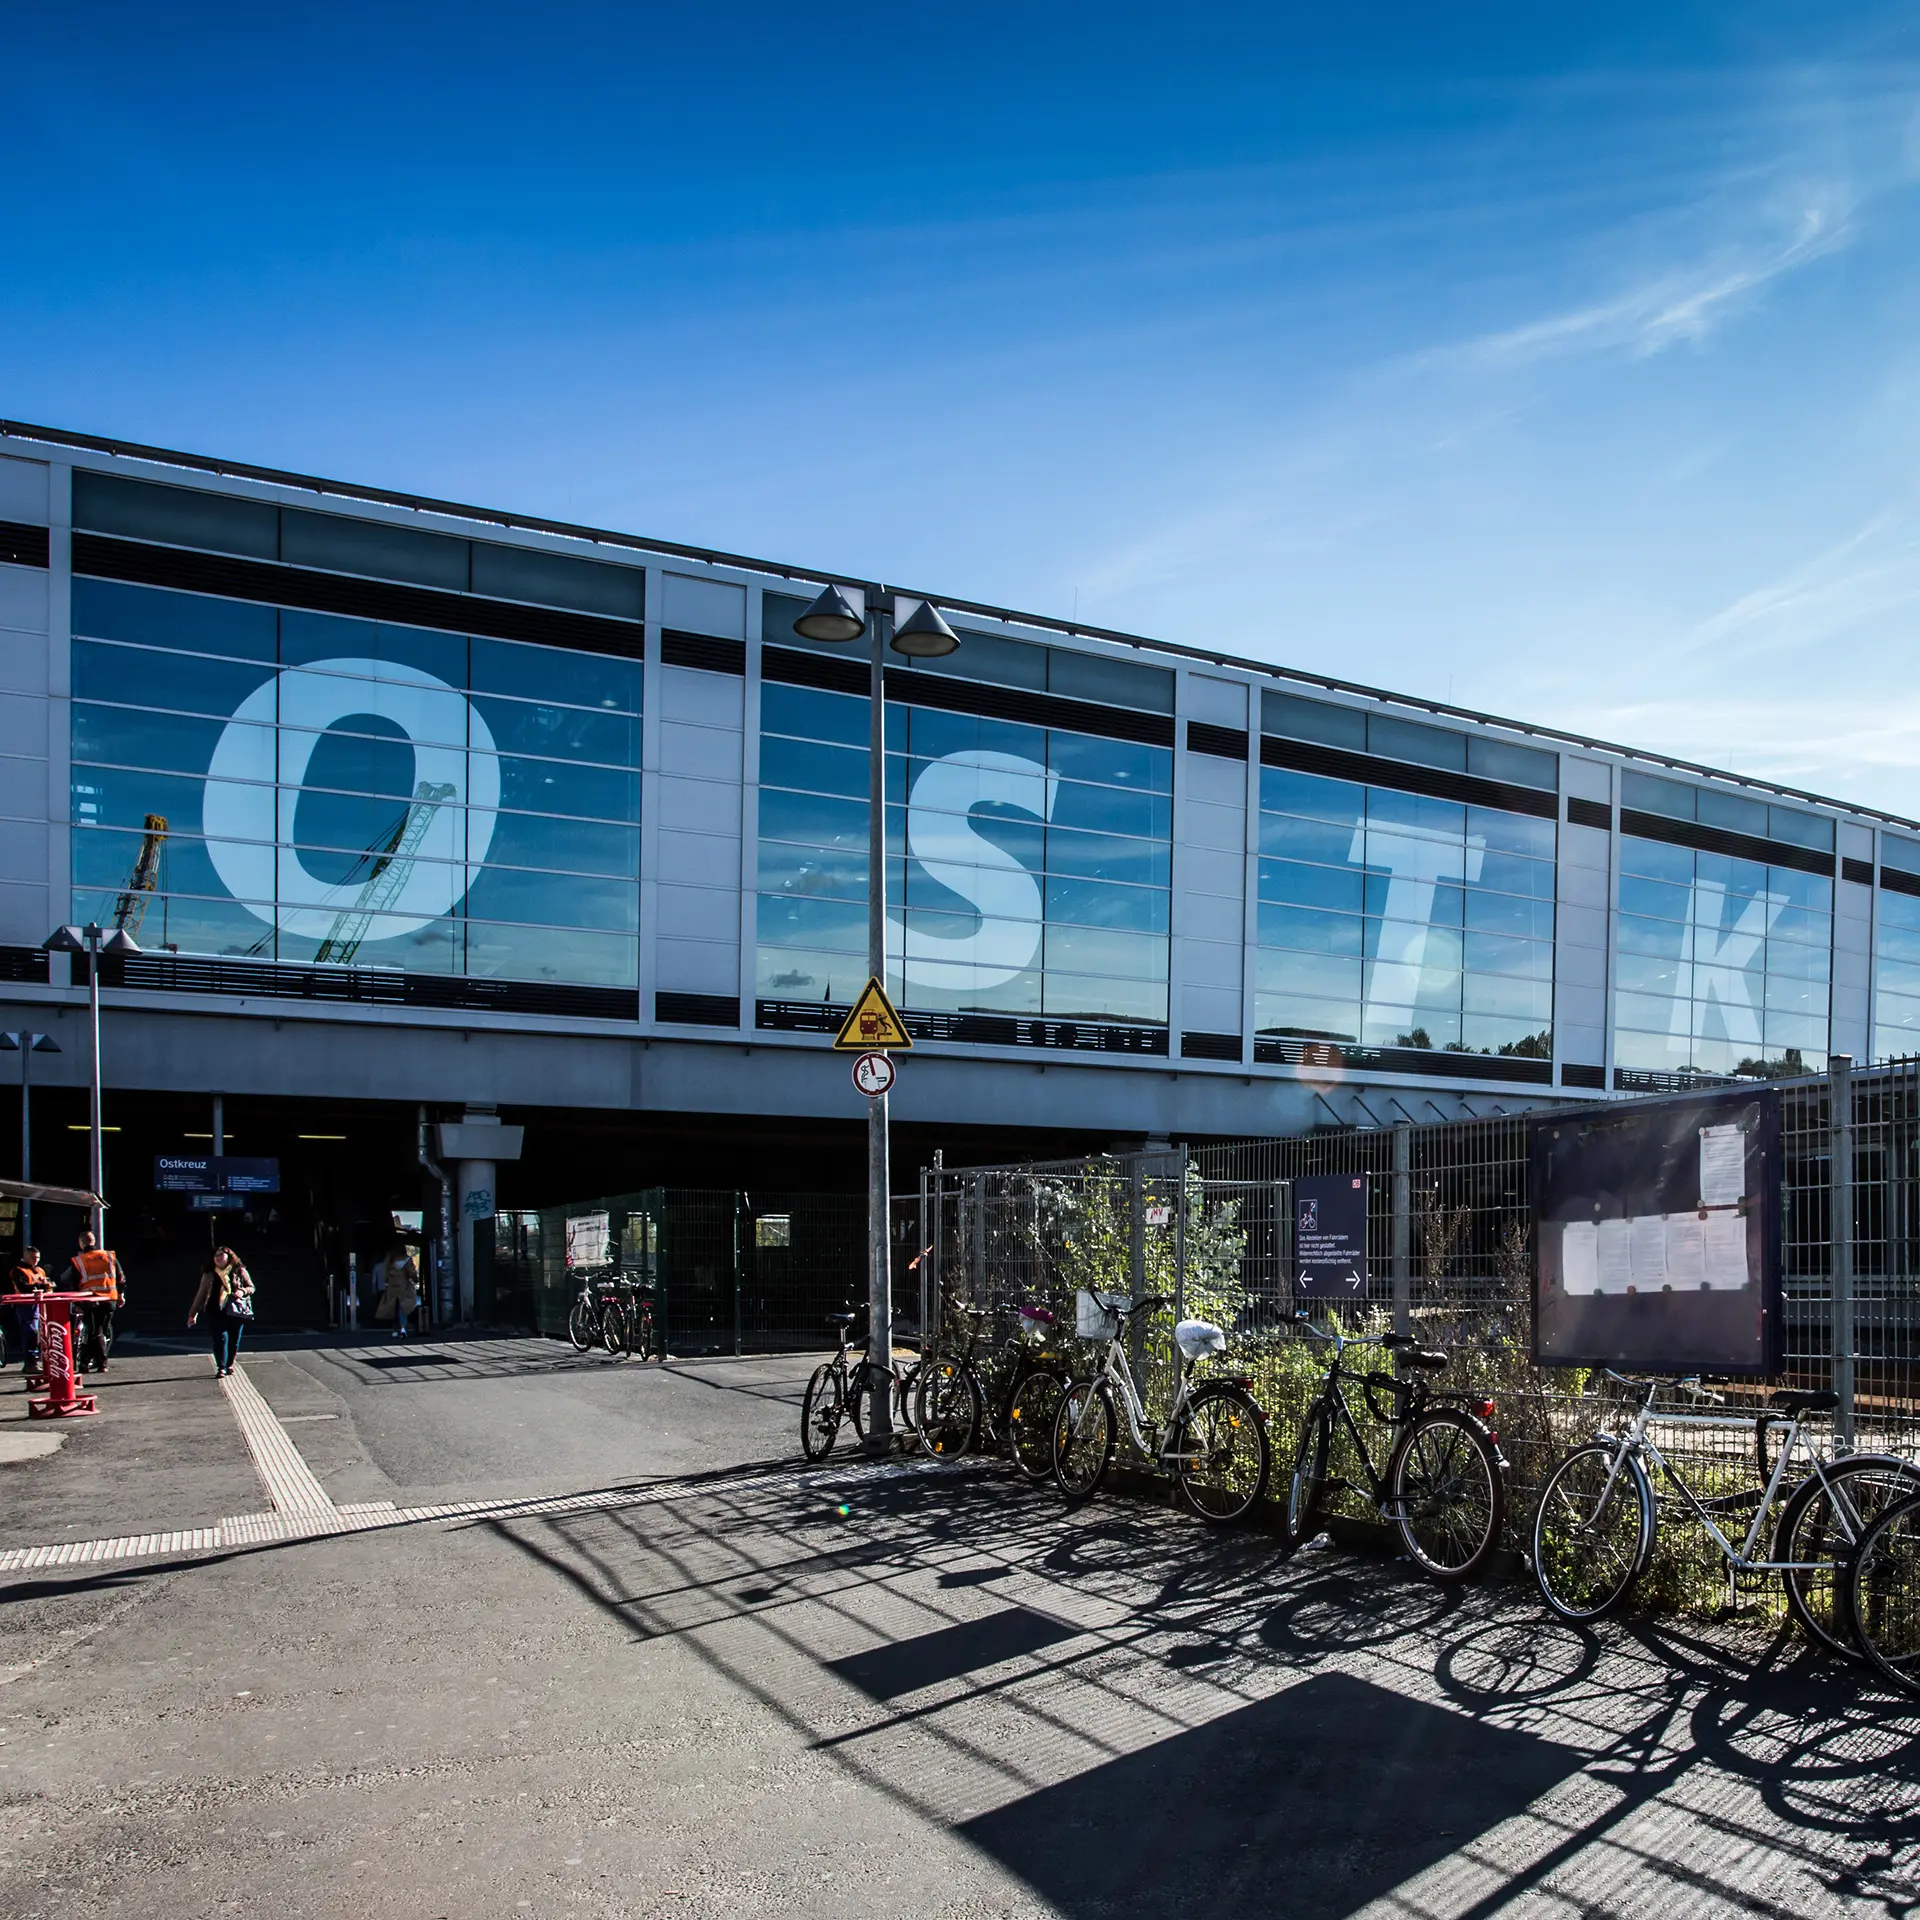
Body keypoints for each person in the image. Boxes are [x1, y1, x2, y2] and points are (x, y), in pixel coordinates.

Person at [64, 1230, 125, 1375]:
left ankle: (94, 1362)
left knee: (93, 1331)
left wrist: (76, 1301)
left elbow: (73, 1283)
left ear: (81, 1243)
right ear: (94, 1242)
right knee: (100, 1330)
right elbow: (121, 1278)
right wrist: (121, 1295)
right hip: (109, 1298)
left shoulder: (79, 1261)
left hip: (89, 1300)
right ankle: (92, 1362)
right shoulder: (109, 1256)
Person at [187, 1245, 254, 1376]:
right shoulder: (209, 1274)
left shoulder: (238, 1270)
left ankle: (229, 1364)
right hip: (215, 1310)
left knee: (234, 1340)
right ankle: (221, 1367)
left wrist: (242, 1291)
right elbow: (201, 1294)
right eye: (215, 1256)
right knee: (221, 1338)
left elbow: (251, 1287)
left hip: (235, 1310)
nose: (217, 1258)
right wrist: (193, 1314)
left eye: (220, 1255)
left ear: (229, 1257)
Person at [8, 1245, 49, 1373]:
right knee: (31, 1334)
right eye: (33, 1258)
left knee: (37, 1335)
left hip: (40, 1306)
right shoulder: (18, 1271)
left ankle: (35, 1362)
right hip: (26, 1306)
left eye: (37, 1258)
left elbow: (47, 1285)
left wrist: (46, 1286)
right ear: (25, 1256)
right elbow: (23, 1288)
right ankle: (30, 1363)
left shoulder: (39, 1270)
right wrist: (41, 1285)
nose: (35, 1260)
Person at [375, 1242, 420, 1339]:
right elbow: (412, 1273)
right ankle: (403, 1328)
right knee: (403, 1308)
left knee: (393, 1309)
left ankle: (395, 1330)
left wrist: (387, 1281)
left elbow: (385, 1272)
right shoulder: (406, 1259)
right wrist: (416, 1279)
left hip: (392, 1287)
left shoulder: (390, 1259)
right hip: (403, 1286)